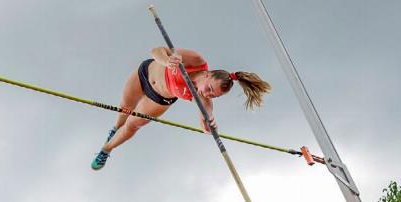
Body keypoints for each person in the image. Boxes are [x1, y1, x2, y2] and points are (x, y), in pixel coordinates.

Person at [91, 47, 271, 170]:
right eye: (209, 88)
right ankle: (115, 129)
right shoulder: (196, 60)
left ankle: (106, 149)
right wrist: (168, 60)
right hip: (145, 74)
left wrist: (208, 125)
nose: (207, 94)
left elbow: (204, 122)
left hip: (159, 99)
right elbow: (155, 51)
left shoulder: (204, 101)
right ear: (207, 74)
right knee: (125, 109)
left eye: (213, 95)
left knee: (132, 124)